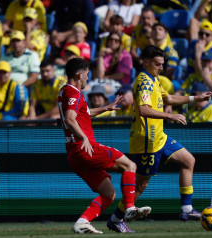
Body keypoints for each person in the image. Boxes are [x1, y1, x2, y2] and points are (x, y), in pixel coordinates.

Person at [108, 45, 212, 232]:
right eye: (157, 64)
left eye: (162, 64)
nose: (161, 68)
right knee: (141, 185)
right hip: (147, 140)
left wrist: (195, 98)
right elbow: (143, 109)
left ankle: (186, 209)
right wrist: (171, 116)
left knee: (188, 160)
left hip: (159, 137)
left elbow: (169, 99)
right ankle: (116, 218)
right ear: (146, 62)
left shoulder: (154, 79)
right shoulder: (144, 82)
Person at [58, 57, 151, 234]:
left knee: (109, 194)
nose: (87, 78)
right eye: (86, 75)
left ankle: (82, 222)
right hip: (85, 148)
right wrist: (84, 137)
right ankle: (130, 207)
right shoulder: (74, 92)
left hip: (74, 156)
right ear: (79, 74)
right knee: (129, 165)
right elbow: (70, 118)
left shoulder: (64, 92)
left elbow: (83, 113)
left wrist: (105, 108)